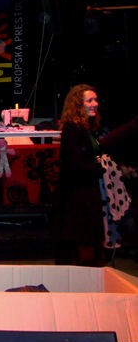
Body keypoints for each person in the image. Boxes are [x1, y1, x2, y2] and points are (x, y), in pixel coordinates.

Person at [53, 84, 106, 267]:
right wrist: (100, 168)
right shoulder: (72, 130)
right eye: (89, 100)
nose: (95, 104)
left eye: (95, 100)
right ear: (78, 105)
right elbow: (76, 166)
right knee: (79, 248)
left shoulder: (86, 129)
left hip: (85, 194)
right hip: (76, 198)